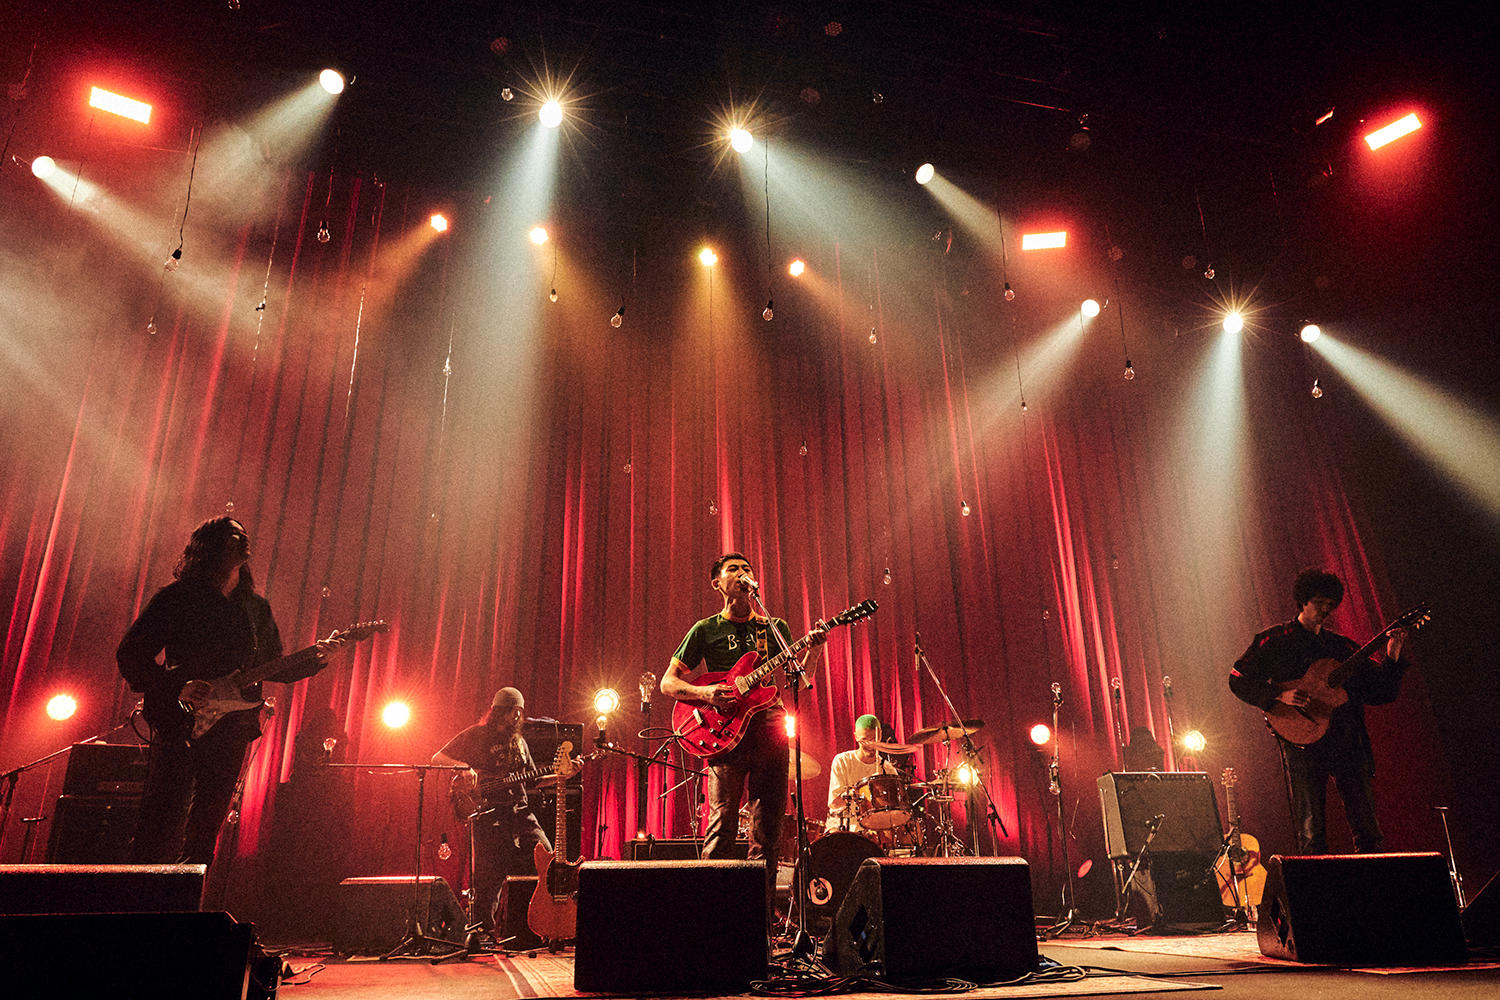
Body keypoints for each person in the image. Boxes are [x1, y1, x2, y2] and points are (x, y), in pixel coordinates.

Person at [118, 516, 328, 866]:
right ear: (209, 546)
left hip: (233, 727)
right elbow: (131, 654)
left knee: (207, 826)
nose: (243, 539)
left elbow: (273, 665)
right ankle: (141, 892)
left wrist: (317, 659)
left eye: (244, 534)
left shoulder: (255, 608)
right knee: (161, 820)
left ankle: (189, 894)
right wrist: (178, 687)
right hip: (180, 721)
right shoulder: (177, 598)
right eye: (233, 535)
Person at [662, 553, 826, 881]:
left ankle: (761, 910)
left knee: (768, 832)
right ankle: (716, 906)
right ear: (717, 584)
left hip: (769, 729)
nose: (742, 573)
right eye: (733, 569)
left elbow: (799, 681)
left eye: (747, 569)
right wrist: (705, 693)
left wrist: (815, 648)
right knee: (722, 825)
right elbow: (668, 683)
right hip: (724, 732)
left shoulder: (773, 627)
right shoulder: (705, 629)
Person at [1229, 568, 1409, 853]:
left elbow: (1380, 691)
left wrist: (1392, 654)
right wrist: (1279, 695)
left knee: (1368, 829)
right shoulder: (1274, 640)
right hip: (1301, 743)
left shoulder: (1341, 647)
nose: (1325, 610)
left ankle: (1373, 878)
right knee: (1312, 833)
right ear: (1303, 601)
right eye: (1319, 602)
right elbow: (1238, 679)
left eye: (1330, 604)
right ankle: (1315, 881)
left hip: (1347, 740)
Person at [432, 687, 551, 935]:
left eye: (519, 712)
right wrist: (464, 767)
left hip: (520, 812)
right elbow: (437, 758)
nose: (516, 717)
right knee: (489, 877)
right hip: (488, 813)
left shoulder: (520, 742)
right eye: (511, 711)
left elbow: (533, 780)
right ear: (498, 711)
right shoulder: (476, 735)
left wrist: (563, 775)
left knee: (547, 857)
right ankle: (482, 933)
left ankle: (537, 924)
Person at [825, 714, 900, 834]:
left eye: (874, 739)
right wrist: (861, 792)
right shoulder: (842, 761)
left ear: (880, 735)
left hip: (875, 830)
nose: (870, 745)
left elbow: (894, 812)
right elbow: (834, 803)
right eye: (865, 740)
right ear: (856, 737)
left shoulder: (887, 769)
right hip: (843, 827)